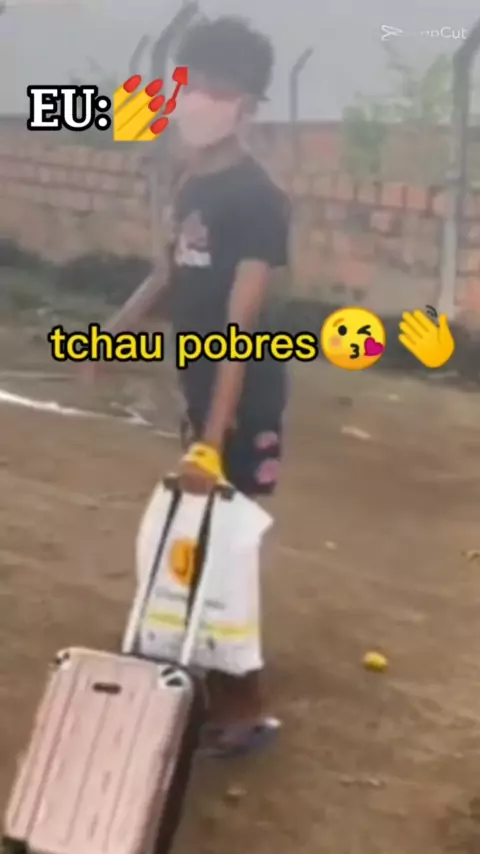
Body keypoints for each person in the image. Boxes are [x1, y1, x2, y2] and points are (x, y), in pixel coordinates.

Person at [85, 15, 291, 757]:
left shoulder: (259, 199)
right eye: (190, 83)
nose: (195, 99)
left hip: (243, 390)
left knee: (225, 539)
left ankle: (245, 704)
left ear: (248, 104)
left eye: (216, 88)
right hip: (201, 383)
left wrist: (212, 438)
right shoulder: (190, 180)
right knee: (200, 533)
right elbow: (171, 272)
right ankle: (207, 665)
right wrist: (115, 332)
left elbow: (242, 321)